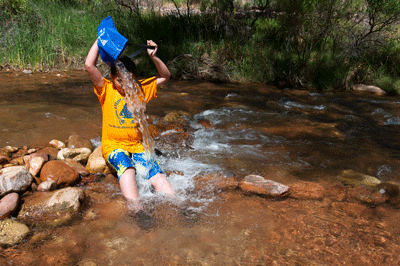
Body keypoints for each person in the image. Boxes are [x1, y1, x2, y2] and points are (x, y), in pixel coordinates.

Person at [85, 39, 175, 212]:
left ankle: (179, 205)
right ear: (112, 77)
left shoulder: (140, 88)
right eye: (120, 80)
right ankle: (136, 209)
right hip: (114, 146)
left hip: (138, 146)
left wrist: (154, 57)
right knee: (126, 168)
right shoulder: (106, 89)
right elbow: (90, 65)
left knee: (156, 174)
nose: (125, 85)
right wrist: (100, 38)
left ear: (134, 77)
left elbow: (165, 76)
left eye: (129, 80)